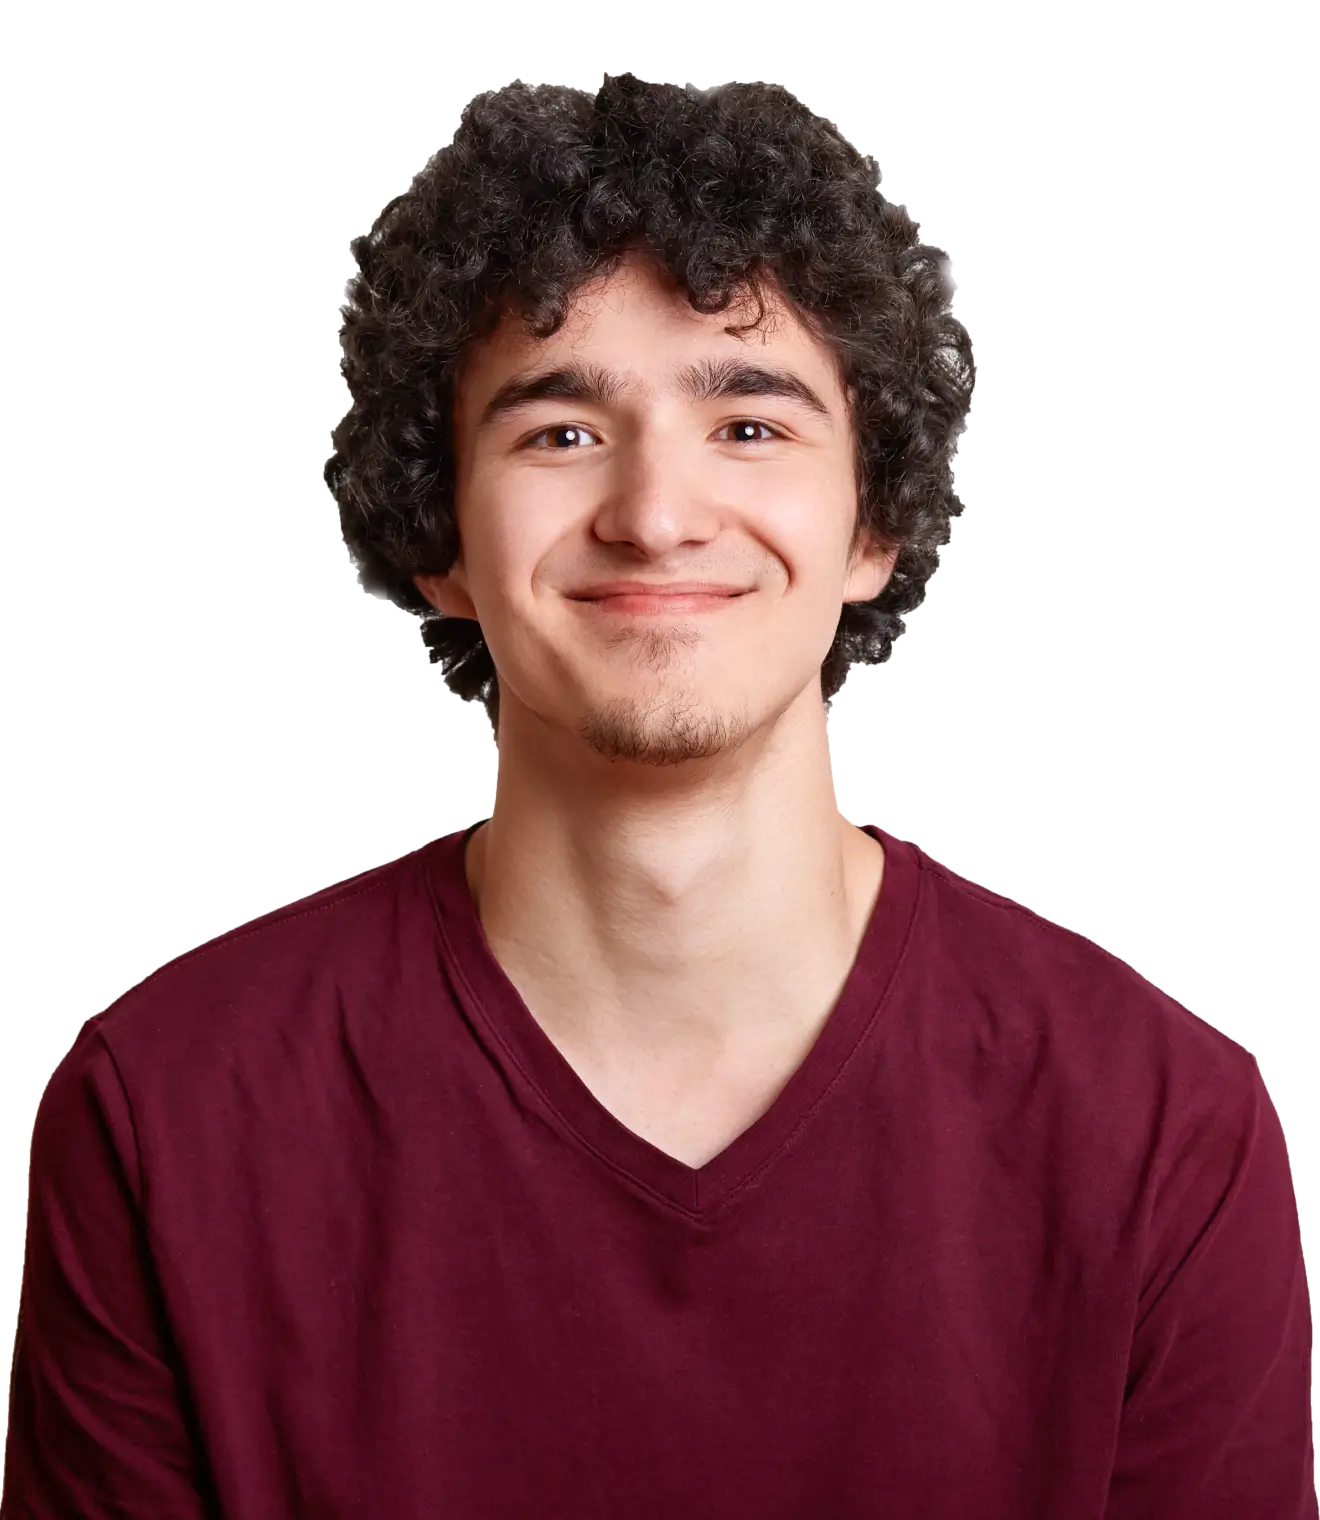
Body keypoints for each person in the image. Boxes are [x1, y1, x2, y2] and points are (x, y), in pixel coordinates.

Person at [4, 75, 1314, 1518]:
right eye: (560, 432)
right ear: (440, 534)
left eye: (749, 425)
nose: (656, 514)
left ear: (875, 522)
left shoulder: (1162, 1131)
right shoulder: (167, 1113)